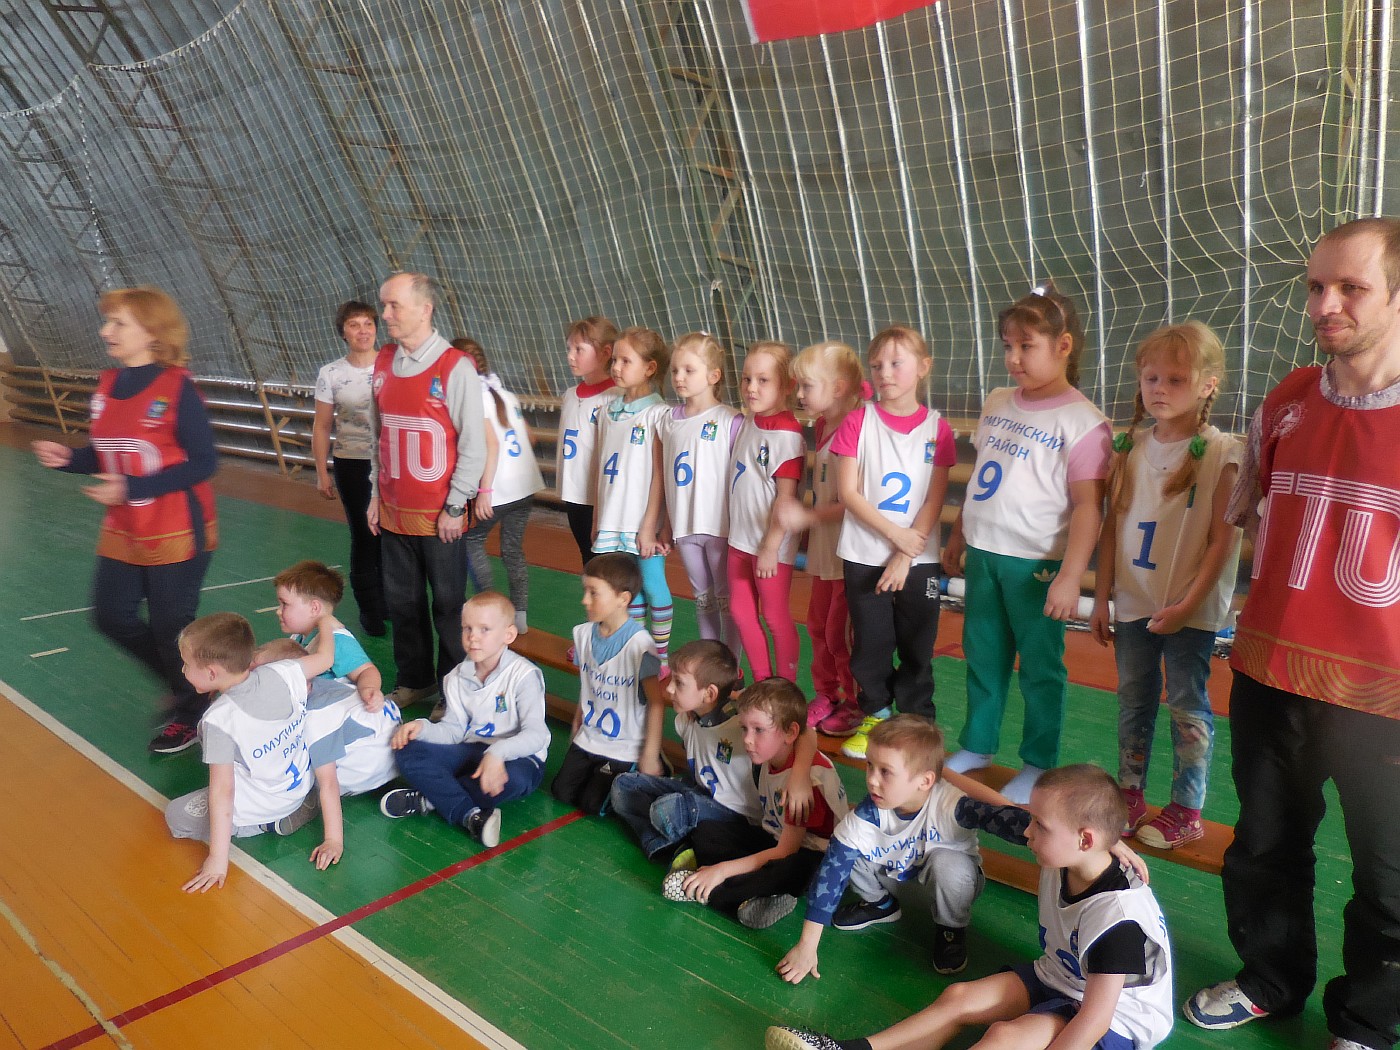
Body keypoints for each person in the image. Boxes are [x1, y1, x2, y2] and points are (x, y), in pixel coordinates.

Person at [1184, 217, 1400, 1050]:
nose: (1325, 305)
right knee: (1265, 848)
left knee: (1389, 877)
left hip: (1385, 698)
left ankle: (1367, 1023)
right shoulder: (1287, 399)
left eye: (1351, 288)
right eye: (1315, 286)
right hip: (1272, 674)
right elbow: (1251, 512)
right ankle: (1269, 980)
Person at [769, 765, 1173, 1050]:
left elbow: (1095, 1021)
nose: (1027, 830)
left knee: (1003, 1038)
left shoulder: (1118, 920)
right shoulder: (1064, 850)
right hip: (1062, 976)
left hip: (1119, 1017)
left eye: (1039, 825)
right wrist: (937, 768)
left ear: (1085, 840)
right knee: (957, 998)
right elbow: (1004, 809)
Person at [943, 283, 1112, 803]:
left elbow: (1088, 507)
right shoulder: (998, 401)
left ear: (1063, 346)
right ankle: (978, 745)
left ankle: (1038, 762)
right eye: (1007, 346)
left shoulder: (1084, 422)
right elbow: (981, 477)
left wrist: (1070, 576)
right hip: (984, 554)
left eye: (1026, 346)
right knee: (983, 655)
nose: (1013, 358)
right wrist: (958, 534)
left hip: (1035, 565)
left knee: (1040, 668)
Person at [32, 286, 218, 755]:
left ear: (152, 332)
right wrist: (69, 458)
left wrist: (131, 488)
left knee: (171, 627)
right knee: (111, 616)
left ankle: (192, 713)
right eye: (108, 321)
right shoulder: (108, 384)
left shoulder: (177, 387)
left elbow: (204, 463)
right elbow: (107, 451)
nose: (105, 331)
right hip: (125, 528)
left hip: (178, 529)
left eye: (118, 323)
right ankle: (189, 686)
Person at [1089, 322, 1242, 849]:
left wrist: (1186, 605)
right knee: (1133, 697)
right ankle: (1130, 792)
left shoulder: (1222, 453)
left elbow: (1222, 542)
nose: (1159, 389)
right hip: (1134, 601)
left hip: (1188, 610)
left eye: (1176, 380)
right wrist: (1102, 598)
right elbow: (1112, 527)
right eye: (1151, 377)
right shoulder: (1129, 446)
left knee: (1186, 702)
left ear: (1207, 385)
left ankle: (1187, 807)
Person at [774, 716, 1018, 982]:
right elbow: (831, 873)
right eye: (870, 765)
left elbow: (1001, 820)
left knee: (948, 863)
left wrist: (1039, 827)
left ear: (925, 781)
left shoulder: (950, 804)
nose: (871, 780)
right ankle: (881, 905)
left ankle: (951, 929)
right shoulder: (866, 816)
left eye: (885, 772)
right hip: (899, 879)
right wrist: (807, 947)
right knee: (843, 847)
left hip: (950, 889)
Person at [830, 327, 956, 761]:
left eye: (896, 363)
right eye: (877, 365)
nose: (885, 372)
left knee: (918, 644)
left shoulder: (938, 429)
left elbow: (934, 499)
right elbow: (849, 493)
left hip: (917, 559)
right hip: (865, 554)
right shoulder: (858, 421)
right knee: (872, 642)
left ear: (923, 367)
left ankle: (918, 722)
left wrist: (906, 552)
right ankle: (876, 715)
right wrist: (894, 536)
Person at [368, 272, 485, 709]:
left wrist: (456, 506)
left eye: (394, 305)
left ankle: (453, 689)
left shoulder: (455, 366)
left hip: (441, 518)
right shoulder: (383, 362)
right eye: (383, 304)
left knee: (450, 607)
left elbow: (473, 444)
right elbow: (378, 436)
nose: (385, 314)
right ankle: (415, 680)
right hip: (393, 513)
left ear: (424, 309)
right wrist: (375, 495)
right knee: (403, 603)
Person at [165, 612, 338, 892]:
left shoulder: (220, 720)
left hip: (264, 803)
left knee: (176, 816)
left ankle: (267, 824)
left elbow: (223, 792)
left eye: (186, 665)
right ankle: (297, 805)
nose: (183, 670)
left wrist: (217, 860)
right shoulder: (284, 671)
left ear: (212, 673)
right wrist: (326, 621)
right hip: (297, 785)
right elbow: (326, 658)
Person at [662, 677, 848, 930]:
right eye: (744, 728)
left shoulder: (807, 785)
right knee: (707, 831)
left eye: (758, 730)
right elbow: (805, 730)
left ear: (790, 733)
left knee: (788, 870)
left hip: (811, 857)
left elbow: (786, 852)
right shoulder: (773, 754)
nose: (747, 739)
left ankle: (714, 891)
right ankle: (753, 900)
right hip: (777, 838)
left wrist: (721, 870)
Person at [379, 591, 548, 847]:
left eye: (484, 629)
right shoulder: (455, 677)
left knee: (516, 780)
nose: (473, 637)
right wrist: (422, 727)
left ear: (509, 635)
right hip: (473, 751)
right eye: (467, 628)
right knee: (407, 749)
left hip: (518, 757)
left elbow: (536, 735)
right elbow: (453, 730)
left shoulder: (524, 675)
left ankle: (430, 800)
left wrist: (498, 753)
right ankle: (470, 814)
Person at [774, 341, 864, 734]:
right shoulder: (825, 424)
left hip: (848, 554)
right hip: (825, 552)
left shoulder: (858, 429)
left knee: (840, 634)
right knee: (817, 627)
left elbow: (855, 502)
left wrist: (807, 516)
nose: (799, 394)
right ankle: (827, 694)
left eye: (807, 386)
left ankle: (856, 703)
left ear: (839, 388)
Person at [248, 639, 399, 870]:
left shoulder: (317, 719)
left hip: (366, 772)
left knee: (288, 758)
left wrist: (333, 841)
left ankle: (305, 800)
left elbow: (329, 783)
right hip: (391, 753)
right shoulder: (323, 685)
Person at [609, 639, 760, 861]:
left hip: (735, 815)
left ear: (709, 694)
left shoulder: (740, 727)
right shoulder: (686, 720)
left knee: (667, 809)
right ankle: (669, 846)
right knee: (623, 786)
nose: (669, 688)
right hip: (697, 795)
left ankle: (675, 842)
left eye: (679, 683)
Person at [551, 553, 668, 814]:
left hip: (624, 744)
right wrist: (577, 722)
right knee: (562, 792)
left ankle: (654, 768)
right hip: (591, 735)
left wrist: (649, 755)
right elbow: (588, 685)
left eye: (593, 593)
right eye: (585, 591)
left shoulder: (641, 645)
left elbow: (656, 702)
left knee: (593, 805)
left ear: (622, 599)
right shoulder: (582, 634)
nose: (584, 600)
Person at [651, 332, 742, 647]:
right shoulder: (667, 421)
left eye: (689, 370)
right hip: (685, 528)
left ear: (713, 376)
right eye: (675, 370)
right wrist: (666, 524)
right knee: (703, 599)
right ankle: (709, 656)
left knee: (727, 598)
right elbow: (665, 477)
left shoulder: (731, 420)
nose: (679, 377)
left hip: (721, 528)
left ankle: (730, 662)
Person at [592, 326, 675, 660]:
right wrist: (597, 518)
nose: (616, 367)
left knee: (653, 585)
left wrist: (650, 525)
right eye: (614, 360)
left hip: (641, 520)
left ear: (650, 368)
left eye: (626, 361)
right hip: (613, 518)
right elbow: (600, 470)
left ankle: (661, 656)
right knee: (629, 589)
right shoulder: (606, 412)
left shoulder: (658, 414)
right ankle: (637, 651)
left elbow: (660, 475)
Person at [452, 337, 544, 634]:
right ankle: (520, 616)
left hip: (498, 488)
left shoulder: (473, 397)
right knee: (512, 549)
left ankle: (490, 607)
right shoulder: (503, 393)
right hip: (525, 486)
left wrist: (484, 491)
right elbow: (531, 438)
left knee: (472, 540)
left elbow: (490, 445)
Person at [727, 341, 805, 682]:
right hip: (739, 539)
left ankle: (785, 687)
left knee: (774, 616)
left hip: (769, 546)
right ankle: (762, 682)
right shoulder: (749, 421)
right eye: (747, 379)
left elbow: (785, 499)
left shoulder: (787, 436)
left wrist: (771, 547)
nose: (751, 388)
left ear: (787, 386)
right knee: (740, 611)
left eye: (763, 380)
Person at [312, 300, 386, 636]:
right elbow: (322, 426)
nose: (363, 331)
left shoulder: (393, 366)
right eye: (354, 325)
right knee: (365, 535)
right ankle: (370, 609)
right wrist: (322, 472)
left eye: (368, 324)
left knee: (393, 537)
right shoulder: (331, 373)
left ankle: (390, 600)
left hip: (391, 463)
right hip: (353, 464)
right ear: (343, 332)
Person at [273, 559, 384, 708]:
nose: (278, 611)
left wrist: (369, 689)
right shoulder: (299, 637)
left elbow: (366, 670)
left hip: (334, 712)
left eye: (285, 604)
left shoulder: (337, 640)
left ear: (314, 608)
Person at [558, 316, 619, 568]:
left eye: (579, 350)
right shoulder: (570, 396)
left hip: (601, 497)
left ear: (605, 353)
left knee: (608, 565)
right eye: (569, 349)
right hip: (575, 494)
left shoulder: (615, 398)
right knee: (588, 559)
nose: (570, 356)